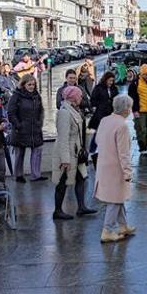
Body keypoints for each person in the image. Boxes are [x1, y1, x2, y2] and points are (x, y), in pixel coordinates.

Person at [95, 94, 136, 241]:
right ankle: (107, 230)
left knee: (118, 197)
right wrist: (127, 172)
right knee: (115, 200)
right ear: (126, 109)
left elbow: (98, 140)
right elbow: (123, 152)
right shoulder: (122, 126)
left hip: (104, 165)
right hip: (116, 168)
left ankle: (123, 225)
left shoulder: (105, 120)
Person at [51, 86, 95, 220]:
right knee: (62, 181)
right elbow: (63, 137)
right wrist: (65, 160)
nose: (81, 98)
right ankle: (57, 210)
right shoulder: (65, 112)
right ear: (73, 97)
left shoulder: (75, 109)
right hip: (67, 152)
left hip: (76, 151)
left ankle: (81, 207)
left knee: (81, 178)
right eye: (80, 95)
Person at [7, 74, 46, 183]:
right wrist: (18, 125)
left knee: (37, 150)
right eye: (29, 84)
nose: (32, 87)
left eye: (33, 85)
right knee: (20, 153)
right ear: (23, 85)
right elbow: (11, 113)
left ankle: (36, 175)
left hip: (35, 128)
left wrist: (40, 122)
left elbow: (41, 110)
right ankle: (18, 175)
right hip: (21, 129)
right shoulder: (16, 96)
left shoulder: (36, 95)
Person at [89, 72, 119, 155]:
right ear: (105, 80)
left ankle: (107, 150)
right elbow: (93, 100)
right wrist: (98, 106)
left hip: (111, 114)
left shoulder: (114, 89)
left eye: (112, 81)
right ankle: (92, 150)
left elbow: (117, 99)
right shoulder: (98, 88)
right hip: (101, 114)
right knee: (99, 132)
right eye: (109, 81)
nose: (111, 83)